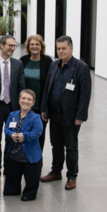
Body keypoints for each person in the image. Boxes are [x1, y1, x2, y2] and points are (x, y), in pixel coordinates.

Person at [40, 36, 92, 190]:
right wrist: (44, 108)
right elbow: (47, 88)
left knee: (71, 146)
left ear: (71, 48)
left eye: (63, 48)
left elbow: (85, 94)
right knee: (55, 144)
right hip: (54, 113)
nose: (60, 51)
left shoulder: (81, 67)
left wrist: (80, 116)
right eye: (58, 48)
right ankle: (56, 172)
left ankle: (72, 176)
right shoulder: (54, 65)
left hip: (70, 115)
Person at [0, 35, 25, 181]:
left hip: (12, 108)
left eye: (14, 46)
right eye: (9, 45)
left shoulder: (18, 64)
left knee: (11, 137)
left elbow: (21, 87)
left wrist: (22, 108)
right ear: (1, 45)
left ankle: (9, 165)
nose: (12, 48)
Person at [3, 90, 43, 201]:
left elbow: (38, 132)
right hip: (14, 154)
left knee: (31, 177)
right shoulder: (12, 115)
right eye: (23, 98)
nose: (26, 101)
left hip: (29, 155)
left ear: (33, 102)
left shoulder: (36, 118)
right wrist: (11, 134)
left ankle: (29, 193)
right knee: (12, 176)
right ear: (19, 100)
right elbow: (6, 129)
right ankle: (13, 190)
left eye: (29, 99)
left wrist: (24, 136)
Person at [20, 35, 53, 150]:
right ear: (28, 46)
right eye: (32, 44)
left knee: (39, 134)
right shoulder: (23, 60)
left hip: (40, 105)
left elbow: (50, 84)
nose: (34, 47)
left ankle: (37, 160)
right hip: (24, 105)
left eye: (37, 44)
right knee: (24, 132)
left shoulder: (47, 61)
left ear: (41, 46)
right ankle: (24, 159)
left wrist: (46, 107)